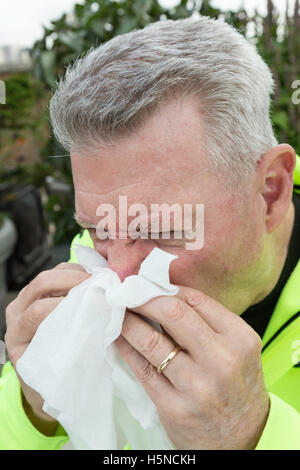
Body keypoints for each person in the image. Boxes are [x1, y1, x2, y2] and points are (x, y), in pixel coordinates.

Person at [1, 16, 300, 450]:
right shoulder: (100, 255)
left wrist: (255, 436)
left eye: (159, 231)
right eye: (95, 227)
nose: (119, 275)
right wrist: (34, 409)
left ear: (270, 192)